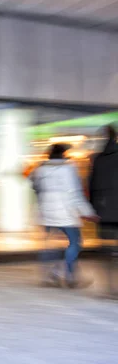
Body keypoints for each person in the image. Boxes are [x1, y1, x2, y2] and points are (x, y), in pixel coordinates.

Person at [30, 144, 98, 289]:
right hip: (65, 213)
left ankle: (50, 275)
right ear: (63, 154)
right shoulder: (69, 169)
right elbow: (75, 193)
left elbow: (34, 185)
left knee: (49, 244)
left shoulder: (40, 169)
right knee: (75, 243)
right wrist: (88, 212)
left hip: (46, 212)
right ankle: (69, 275)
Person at [89, 125, 118, 298]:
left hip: (104, 210)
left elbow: (91, 186)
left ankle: (109, 287)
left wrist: (94, 207)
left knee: (106, 250)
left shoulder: (98, 159)